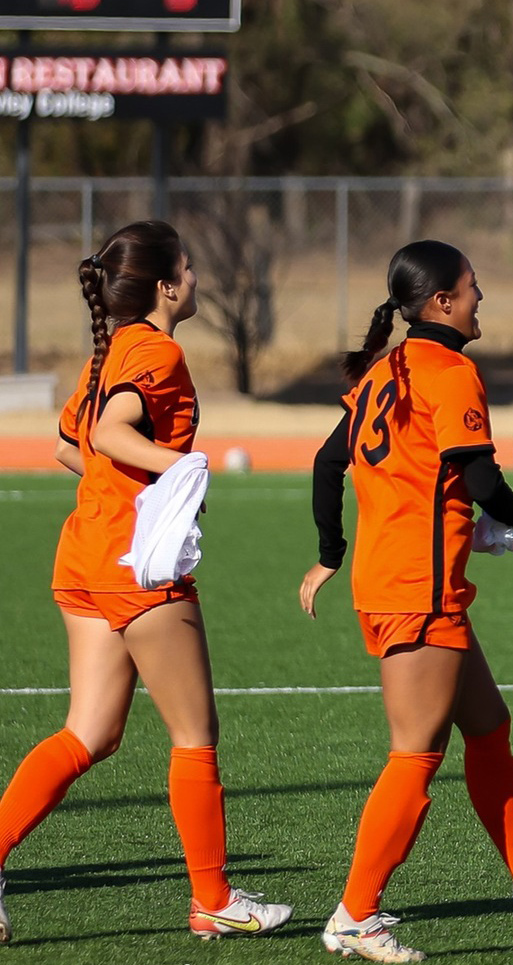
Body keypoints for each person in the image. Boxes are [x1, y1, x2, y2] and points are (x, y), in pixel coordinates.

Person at [302, 240, 513, 963]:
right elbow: (478, 476)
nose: (481, 301)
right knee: (415, 755)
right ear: (441, 302)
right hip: (419, 589)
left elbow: (328, 462)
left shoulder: (387, 367)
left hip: (404, 579)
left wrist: (329, 554)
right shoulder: (450, 370)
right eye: (473, 290)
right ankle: (355, 914)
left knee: (489, 727)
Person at [0, 222, 292, 944]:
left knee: (89, 732)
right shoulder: (155, 350)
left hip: (85, 559)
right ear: (165, 286)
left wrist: (131, 485)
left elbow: (71, 443)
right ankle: (214, 899)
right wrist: (179, 470)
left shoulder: (114, 349)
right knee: (195, 734)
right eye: (188, 268)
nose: (195, 278)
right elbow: (107, 437)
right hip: (135, 567)